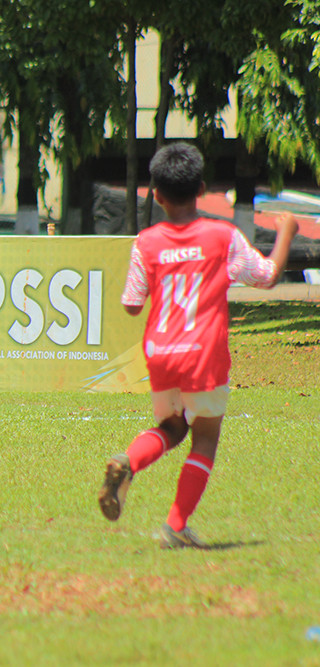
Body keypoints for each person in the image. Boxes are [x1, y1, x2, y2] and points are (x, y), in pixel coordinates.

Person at [98, 142, 299, 549]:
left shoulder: (147, 242)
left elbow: (132, 304)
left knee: (172, 427)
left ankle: (129, 461)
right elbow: (267, 276)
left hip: (161, 355)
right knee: (204, 438)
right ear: (202, 189)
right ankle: (175, 527)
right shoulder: (221, 237)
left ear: (156, 195)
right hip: (203, 354)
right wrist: (286, 233)